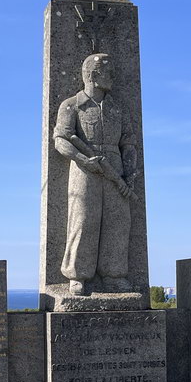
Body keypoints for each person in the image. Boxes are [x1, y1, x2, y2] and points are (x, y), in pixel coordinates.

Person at [53, 53, 137, 295]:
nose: (113, 77)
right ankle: (78, 276)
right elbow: (61, 140)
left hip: (115, 169)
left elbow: (128, 143)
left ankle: (114, 275)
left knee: (118, 222)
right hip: (84, 170)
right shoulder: (71, 105)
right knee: (83, 220)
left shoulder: (116, 109)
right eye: (108, 72)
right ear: (92, 74)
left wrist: (129, 176)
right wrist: (82, 159)